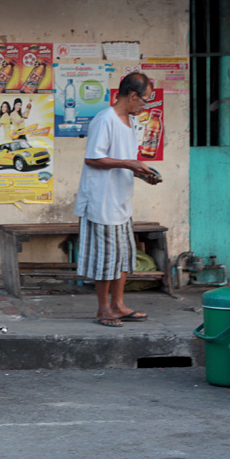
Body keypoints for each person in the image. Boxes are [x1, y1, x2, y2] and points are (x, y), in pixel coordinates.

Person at [74, 72, 161, 328]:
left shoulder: (129, 122)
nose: (144, 105)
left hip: (120, 200)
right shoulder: (106, 119)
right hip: (102, 201)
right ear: (132, 95)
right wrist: (129, 163)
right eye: (144, 100)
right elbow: (93, 158)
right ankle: (103, 309)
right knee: (106, 259)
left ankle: (118, 305)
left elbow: (122, 161)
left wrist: (143, 173)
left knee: (123, 256)